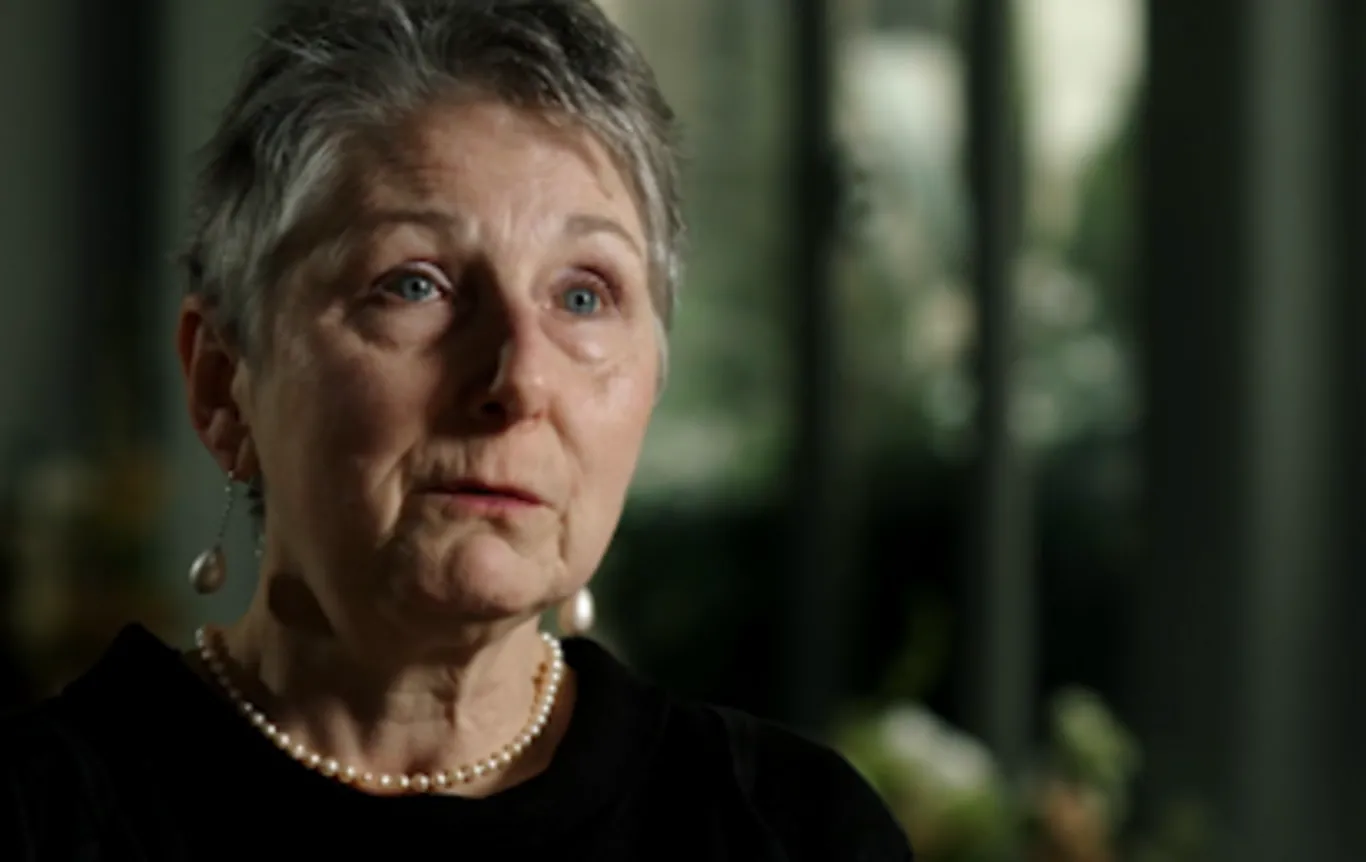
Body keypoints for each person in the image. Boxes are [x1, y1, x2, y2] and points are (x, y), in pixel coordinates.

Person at [0, 1, 912, 858]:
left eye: (584, 295)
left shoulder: (795, 832)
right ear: (221, 383)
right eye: (416, 285)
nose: (519, 378)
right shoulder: (44, 816)